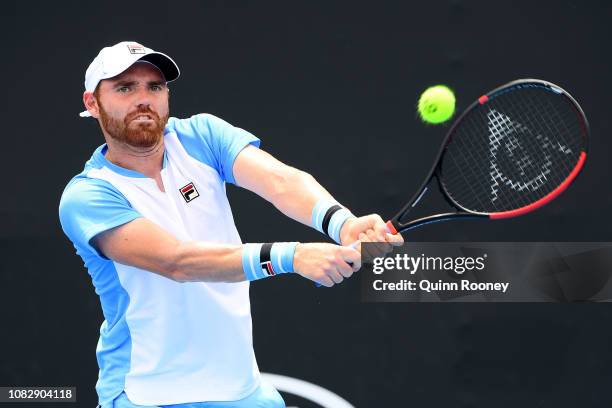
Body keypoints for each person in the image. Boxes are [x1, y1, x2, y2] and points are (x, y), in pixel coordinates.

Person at [59, 41, 403, 408]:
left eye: (154, 87)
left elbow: (281, 182)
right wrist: (291, 256)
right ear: (92, 103)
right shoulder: (89, 196)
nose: (144, 98)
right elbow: (177, 262)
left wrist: (343, 224)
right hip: (146, 395)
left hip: (242, 392)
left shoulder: (202, 136)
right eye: (125, 87)